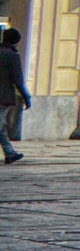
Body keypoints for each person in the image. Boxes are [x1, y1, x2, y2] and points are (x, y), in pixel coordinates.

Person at [0, 14, 26, 164]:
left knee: (1, 125)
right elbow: (18, 80)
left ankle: (10, 153)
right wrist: (26, 97)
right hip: (2, 97)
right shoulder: (12, 56)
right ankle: (10, 153)